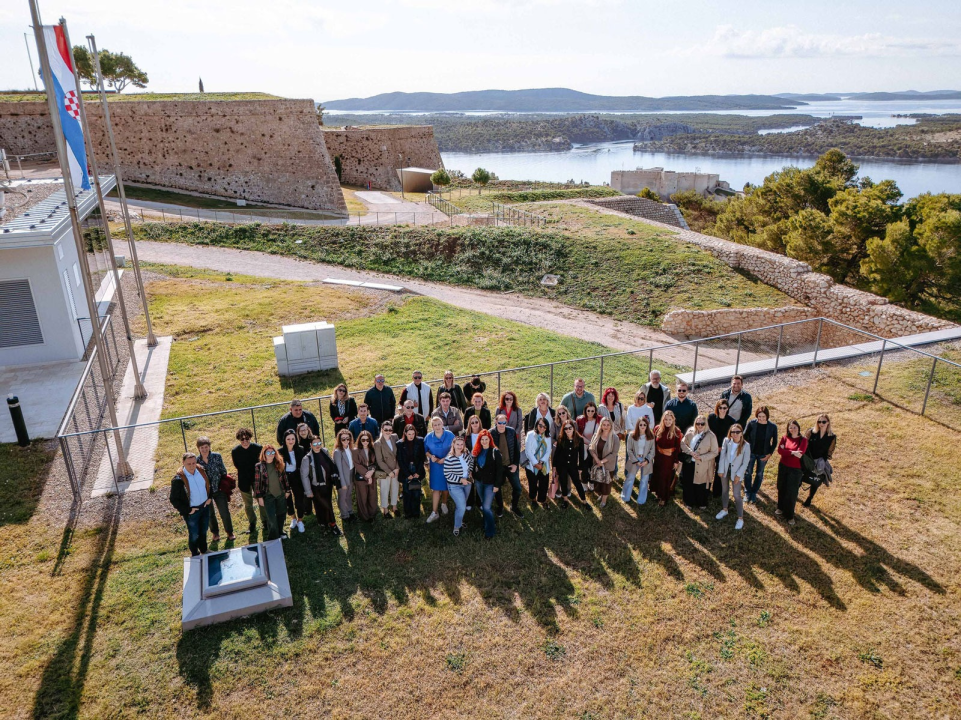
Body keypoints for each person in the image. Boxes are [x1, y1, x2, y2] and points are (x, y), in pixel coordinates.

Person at [169, 452, 213, 556]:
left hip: (205, 507)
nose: (192, 465)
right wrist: (188, 510)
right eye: (189, 464)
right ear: (183, 463)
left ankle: (204, 550)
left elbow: (209, 484)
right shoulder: (178, 480)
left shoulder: (202, 471)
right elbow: (174, 499)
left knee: (203, 531)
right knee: (194, 534)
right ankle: (195, 553)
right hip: (192, 512)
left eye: (194, 463)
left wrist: (210, 497)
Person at [300, 434, 343, 536]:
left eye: (319, 443)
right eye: (315, 443)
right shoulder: (307, 459)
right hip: (316, 487)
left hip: (327, 485)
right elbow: (304, 476)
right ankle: (333, 524)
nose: (317, 445)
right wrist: (308, 491)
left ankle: (323, 523)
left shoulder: (325, 452)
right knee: (325, 505)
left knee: (325, 505)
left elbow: (331, 465)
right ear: (310, 445)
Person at [195, 436, 234, 542]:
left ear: (209, 447)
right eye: (202, 447)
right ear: (198, 448)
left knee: (224, 512)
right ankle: (215, 533)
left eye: (206, 447)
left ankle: (229, 532)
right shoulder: (196, 461)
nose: (204, 449)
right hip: (205, 493)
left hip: (218, 490)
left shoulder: (217, 456)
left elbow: (223, 471)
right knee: (210, 514)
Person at [252, 444, 291, 541]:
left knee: (281, 514)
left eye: (272, 452)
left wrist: (287, 490)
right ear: (264, 454)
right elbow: (257, 483)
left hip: (280, 494)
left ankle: (281, 531)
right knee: (271, 518)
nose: (270, 454)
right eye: (268, 452)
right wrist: (259, 497)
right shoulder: (259, 466)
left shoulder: (279, 463)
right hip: (268, 496)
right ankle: (274, 537)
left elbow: (285, 478)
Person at [231, 427, 266, 535]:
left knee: (261, 502)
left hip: (257, 479)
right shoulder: (235, 451)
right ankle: (252, 523)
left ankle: (265, 522)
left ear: (250, 438)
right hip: (244, 480)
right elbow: (237, 465)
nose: (245, 441)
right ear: (239, 440)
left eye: (247, 439)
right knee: (248, 504)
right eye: (242, 439)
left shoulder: (258, 448)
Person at [680, 416, 719, 511]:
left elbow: (714, 452)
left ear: (706, 424)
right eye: (698, 423)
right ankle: (689, 501)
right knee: (689, 483)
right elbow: (682, 443)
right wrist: (690, 452)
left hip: (703, 464)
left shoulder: (711, 436)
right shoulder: (690, 431)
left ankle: (701, 503)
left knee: (700, 484)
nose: (700, 425)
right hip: (690, 462)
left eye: (702, 423)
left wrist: (701, 457)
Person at [716, 424, 750, 530]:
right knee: (725, 490)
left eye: (737, 432)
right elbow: (722, 456)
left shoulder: (746, 445)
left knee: (736, 495)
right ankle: (725, 509)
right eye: (733, 432)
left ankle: (740, 518)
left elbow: (745, 463)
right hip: (726, 470)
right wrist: (721, 469)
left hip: (736, 472)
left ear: (741, 433)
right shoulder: (727, 441)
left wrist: (739, 475)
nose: (735, 434)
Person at [776, 420, 809, 525]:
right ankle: (780, 508)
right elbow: (779, 451)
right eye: (791, 427)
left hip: (795, 470)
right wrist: (792, 452)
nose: (793, 429)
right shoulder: (785, 438)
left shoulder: (803, 440)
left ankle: (789, 515)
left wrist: (786, 451)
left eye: (795, 427)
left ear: (798, 428)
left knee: (792, 492)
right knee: (781, 487)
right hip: (783, 466)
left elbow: (800, 454)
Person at [471, 430, 503, 538]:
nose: (484, 441)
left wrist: (497, 485)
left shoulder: (495, 452)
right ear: (479, 441)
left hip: (490, 484)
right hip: (479, 483)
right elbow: (475, 467)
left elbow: (500, 470)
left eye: (486, 439)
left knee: (486, 507)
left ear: (490, 440)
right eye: (482, 439)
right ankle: (486, 522)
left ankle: (490, 531)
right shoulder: (477, 452)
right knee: (484, 504)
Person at [492, 412, 525, 518]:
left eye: (503, 422)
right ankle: (500, 507)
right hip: (498, 467)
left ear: (506, 422)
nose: (501, 424)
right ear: (496, 422)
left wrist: (515, 464)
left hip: (510, 465)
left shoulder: (511, 431)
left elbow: (516, 449)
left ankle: (514, 506)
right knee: (497, 488)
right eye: (499, 422)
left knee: (518, 488)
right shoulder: (491, 433)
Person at [424, 416, 455, 523]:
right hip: (435, 465)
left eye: (439, 424)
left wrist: (445, 458)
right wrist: (430, 456)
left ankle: (444, 503)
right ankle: (434, 512)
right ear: (432, 426)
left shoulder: (450, 435)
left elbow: (455, 448)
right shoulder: (429, 437)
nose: (437, 426)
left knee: (446, 486)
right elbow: (425, 450)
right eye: (435, 425)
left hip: (448, 464)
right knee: (436, 488)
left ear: (442, 424)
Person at [744, 406, 778, 504]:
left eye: (763, 416)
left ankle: (754, 492)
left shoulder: (772, 427)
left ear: (767, 416)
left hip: (764, 454)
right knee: (748, 472)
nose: (761, 419)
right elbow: (745, 435)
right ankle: (747, 492)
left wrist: (770, 454)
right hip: (751, 453)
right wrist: (748, 446)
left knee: (759, 473)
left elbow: (775, 442)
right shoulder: (752, 423)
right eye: (759, 416)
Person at [802, 414, 836, 508]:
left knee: (816, 480)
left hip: (820, 460)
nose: (821, 424)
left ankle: (809, 498)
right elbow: (804, 444)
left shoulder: (831, 437)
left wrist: (822, 460)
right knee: (801, 475)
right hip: (808, 458)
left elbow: (830, 451)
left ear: (828, 423)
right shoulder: (811, 432)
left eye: (823, 422)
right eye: (819, 421)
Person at [443, 435, 474, 536]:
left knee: (462, 505)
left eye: (462, 444)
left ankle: (460, 521)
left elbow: (471, 462)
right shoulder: (449, 458)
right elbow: (447, 475)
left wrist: (470, 472)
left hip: (467, 484)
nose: (460, 446)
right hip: (455, 486)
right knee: (462, 506)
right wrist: (461, 480)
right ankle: (457, 526)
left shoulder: (466, 453)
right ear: (453, 445)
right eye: (458, 444)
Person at [651, 410, 682, 506]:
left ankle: (664, 497)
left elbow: (678, 448)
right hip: (658, 456)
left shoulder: (676, 431)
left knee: (665, 477)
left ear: (673, 420)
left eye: (670, 419)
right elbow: (654, 443)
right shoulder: (657, 428)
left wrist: (676, 461)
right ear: (663, 420)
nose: (667, 422)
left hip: (669, 458)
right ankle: (658, 493)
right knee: (658, 475)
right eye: (665, 420)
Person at [589, 417, 620, 507]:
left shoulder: (615, 438)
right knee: (598, 481)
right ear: (601, 425)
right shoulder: (596, 435)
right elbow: (591, 448)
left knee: (606, 483)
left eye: (608, 425)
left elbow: (614, 453)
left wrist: (602, 461)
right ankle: (600, 493)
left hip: (608, 465)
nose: (606, 427)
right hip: (596, 463)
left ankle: (604, 499)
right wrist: (597, 460)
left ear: (611, 426)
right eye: (604, 424)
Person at [623, 417, 655, 505]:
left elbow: (652, 451)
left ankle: (641, 499)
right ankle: (625, 496)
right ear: (638, 425)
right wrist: (635, 461)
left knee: (644, 480)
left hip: (645, 460)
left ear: (647, 426)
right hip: (635, 459)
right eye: (640, 425)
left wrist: (647, 461)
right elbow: (629, 450)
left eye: (645, 425)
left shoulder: (651, 436)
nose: (643, 426)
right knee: (630, 477)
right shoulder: (632, 435)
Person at [280, 430, 307, 533]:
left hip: (296, 476)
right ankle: (293, 518)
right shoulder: (280, 452)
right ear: (285, 440)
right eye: (288, 439)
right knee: (288, 499)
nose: (291, 441)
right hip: (285, 477)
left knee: (299, 498)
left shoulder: (300, 449)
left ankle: (300, 520)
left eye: (292, 439)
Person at [396, 424, 426, 518]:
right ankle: (408, 513)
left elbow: (422, 458)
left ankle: (416, 512)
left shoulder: (420, 441)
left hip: (417, 468)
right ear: (405, 433)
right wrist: (407, 474)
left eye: (413, 434)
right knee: (407, 492)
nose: (411, 436)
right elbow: (400, 460)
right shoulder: (400, 444)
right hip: (406, 469)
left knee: (416, 492)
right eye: (409, 434)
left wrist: (418, 472)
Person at [707, 399, 735, 500]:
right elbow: (707, 433)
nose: (722, 410)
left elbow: (732, 437)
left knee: (720, 470)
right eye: (720, 408)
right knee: (709, 469)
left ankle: (716, 492)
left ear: (727, 409)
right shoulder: (711, 418)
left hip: (723, 449)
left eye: (725, 408)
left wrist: (722, 448)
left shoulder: (731, 421)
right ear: (717, 408)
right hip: (711, 448)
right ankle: (706, 489)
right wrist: (714, 447)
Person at [524, 417, 553, 508]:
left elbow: (548, 451)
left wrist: (541, 462)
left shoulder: (548, 437)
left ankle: (542, 499)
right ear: (537, 425)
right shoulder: (530, 434)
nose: (542, 428)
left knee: (544, 484)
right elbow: (528, 451)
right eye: (540, 425)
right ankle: (533, 499)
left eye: (544, 427)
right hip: (532, 465)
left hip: (543, 465)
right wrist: (535, 463)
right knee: (532, 483)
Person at [553, 420, 584, 504]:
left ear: (573, 428)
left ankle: (584, 500)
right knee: (563, 481)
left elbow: (581, 455)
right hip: (562, 465)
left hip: (573, 465)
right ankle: (565, 499)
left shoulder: (580, 439)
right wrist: (554, 466)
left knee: (577, 482)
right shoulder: (561, 439)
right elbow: (556, 454)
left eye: (570, 428)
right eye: (565, 428)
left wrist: (580, 467)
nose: (568, 430)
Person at [352, 430, 379, 522]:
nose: (365, 442)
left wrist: (371, 472)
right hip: (361, 478)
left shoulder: (373, 449)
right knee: (362, 497)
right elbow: (357, 465)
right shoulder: (355, 451)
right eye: (363, 440)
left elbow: (375, 463)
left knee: (372, 495)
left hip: (372, 475)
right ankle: (365, 516)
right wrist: (367, 476)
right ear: (359, 440)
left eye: (367, 440)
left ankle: (372, 513)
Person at [373, 423, 400, 517]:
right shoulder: (378, 443)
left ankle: (394, 506)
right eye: (386, 430)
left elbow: (398, 455)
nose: (388, 432)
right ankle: (385, 509)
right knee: (384, 489)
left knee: (395, 487)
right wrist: (389, 472)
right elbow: (379, 461)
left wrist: (397, 468)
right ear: (382, 430)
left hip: (395, 469)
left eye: (390, 430)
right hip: (383, 471)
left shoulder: (395, 437)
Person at [332, 430, 357, 524]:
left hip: (351, 474)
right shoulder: (338, 452)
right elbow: (339, 469)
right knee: (343, 496)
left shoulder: (351, 449)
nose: (346, 440)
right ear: (339, 440)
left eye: (348, 438)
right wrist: (343, 483)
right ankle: (344, 515)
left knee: (349, 495)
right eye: (343, 439)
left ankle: (350, 511)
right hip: (343, 476)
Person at [576, 402, 600, 491]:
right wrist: (589, 442)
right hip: (585, 446)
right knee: (584, 465)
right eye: (588, 411)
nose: (590, 413)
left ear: (595, 411)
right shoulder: (580, 420)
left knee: (593, 465)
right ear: (585, 411)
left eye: (592, 411)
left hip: (595, 446)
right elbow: (578, 434)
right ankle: (584, 482)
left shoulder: (599, 419)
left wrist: (593, 443)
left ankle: (592, 481)